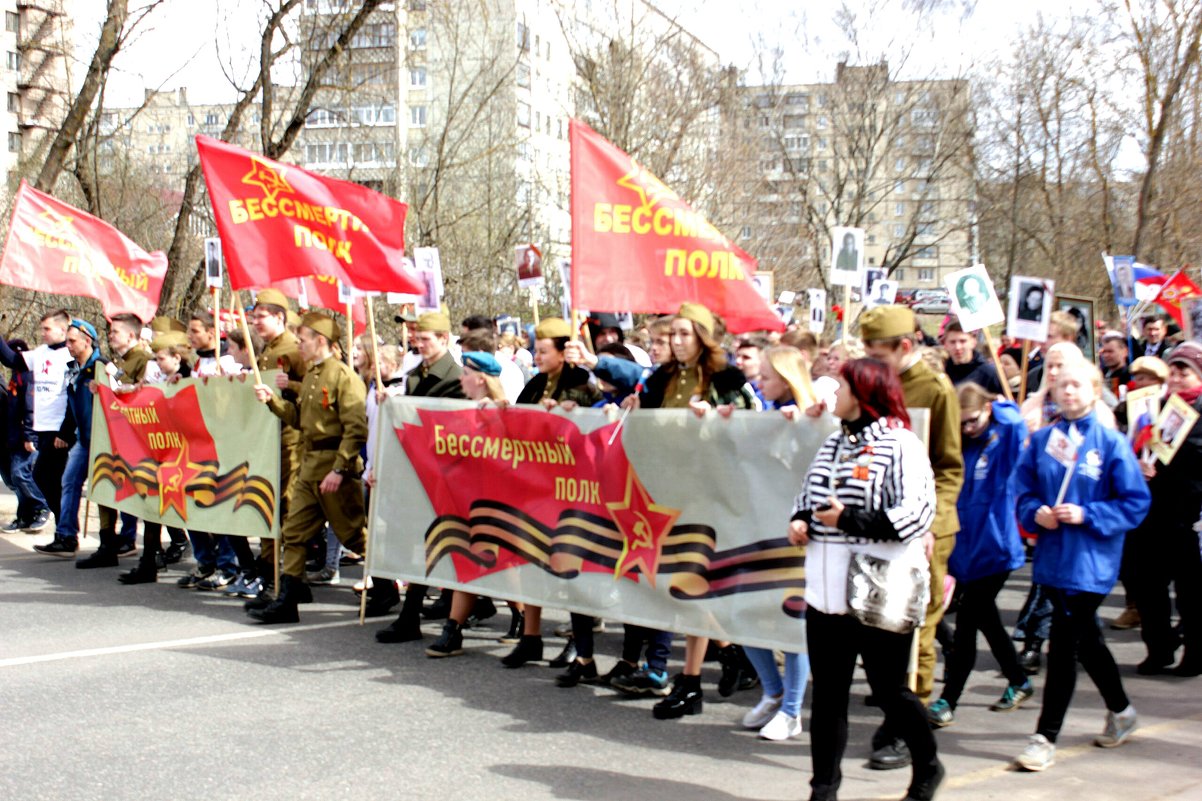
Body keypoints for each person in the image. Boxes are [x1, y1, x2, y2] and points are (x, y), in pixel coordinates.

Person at [789, 357, 942, 801]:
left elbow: (915, 514)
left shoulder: (901, 444)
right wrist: (799, 521)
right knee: (829, 694)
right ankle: (823, 789)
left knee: (889, 690)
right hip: (825, 591)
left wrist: (849, 519)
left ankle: (927, 764)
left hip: (879, 591)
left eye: (840, 387)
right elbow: (807, 497)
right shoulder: (830, 444)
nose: (832, 393)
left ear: (864, 392)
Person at [1011, 361, 1151, 772]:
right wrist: (1035, 512)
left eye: (1076, 385)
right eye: (1060, 385)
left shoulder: (1111, 443)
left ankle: (1044, 735)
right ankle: (1122, 711)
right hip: (1054, 558)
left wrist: (1087, 514)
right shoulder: (1041, 441)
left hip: (1092, 561)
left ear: (1094, 390)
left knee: (1064, 643)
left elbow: (1134, 502)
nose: (1067, 391)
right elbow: (1022, 491)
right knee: (1086, 640)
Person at [633, 303, 758, 719]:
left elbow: (754, 425)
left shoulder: (726, 378)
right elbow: (647, 424)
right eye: (673, 335)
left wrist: (719, 419)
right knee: (677, 585)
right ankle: (729, 651)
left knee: (687, 584)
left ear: (704, 338)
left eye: (685, 334)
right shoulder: (662, 378)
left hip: (708, 493)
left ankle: (690, 682)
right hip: (668, 492)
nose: (676, 341)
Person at [854, 306, 963, 771]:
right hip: (878, 523)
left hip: (925, 529)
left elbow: (949, 468)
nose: (870, 362)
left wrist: (928, 526)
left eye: (877, 353)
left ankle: (905, 722)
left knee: (915, 624)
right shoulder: (875, 386)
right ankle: (894, 698)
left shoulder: (935, 390)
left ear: (904, 347)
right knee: (879, 621)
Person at [246, 312, 369, 624]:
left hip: (334, 468)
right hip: (310, 466)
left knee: (354, 536)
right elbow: (301, 420)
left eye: (303, 340)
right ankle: (288, 600)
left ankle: (384, 585)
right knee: (294, 532)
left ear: (321, 341)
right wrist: (272, 401)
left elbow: (355, 429)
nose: (298, 345)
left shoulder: (343, 377)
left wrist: (340, 470)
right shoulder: (313, 376)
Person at [926, 383, 1032, 728]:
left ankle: (948, 699)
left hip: (995, 549)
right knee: (987, 620)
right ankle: (1019, 680)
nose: (968, 428)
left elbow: (1018, 427)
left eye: (973, 420)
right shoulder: (961, 446)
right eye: (962, 422)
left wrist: (1000, 407)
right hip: (963, 549)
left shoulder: (1002, 439)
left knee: (969, 624)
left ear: (987, 411)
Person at [375, 311, 466, 643]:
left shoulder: (456, 377)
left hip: (443, 474)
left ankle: (424, 615)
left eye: (426, 339)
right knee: (424, 544)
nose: (420, 344)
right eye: (417, 339)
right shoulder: (415, 375)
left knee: (447, 546)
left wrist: (404, 408)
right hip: (418, 471)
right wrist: (393, 403)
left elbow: (449, 427)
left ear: (444, 339)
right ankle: (411, 615)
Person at [738, 345, 814, 741]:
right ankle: (773, 690)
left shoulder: (814, 416)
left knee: (792, 622)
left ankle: (791, 710)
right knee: (744, 614)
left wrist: (799, 429)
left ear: (786, 377)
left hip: (796, 535)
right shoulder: (766, 415)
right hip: (758, 527)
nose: (758, 380)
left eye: (765, 375)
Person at [1128, 342, 1202, 677]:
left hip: (1187, 514)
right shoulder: (1153, 406)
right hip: (1150, 512)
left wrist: (1174, 457)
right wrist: (1139, 461)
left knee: (1190, 593)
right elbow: (1135, 441)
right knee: (1147, 587)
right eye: (1171, 371)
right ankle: (1158, 649)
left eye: (1183, 371)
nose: (1175, 377)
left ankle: (1195, 654)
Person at [33, 320, 116, 562]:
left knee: (109, 491)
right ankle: (67, 537)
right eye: (67, 341)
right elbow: (72, 407)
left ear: (87, 341)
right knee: (68, 482)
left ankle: (120, 539)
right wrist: (65, 433)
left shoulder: (102, 367)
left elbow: (119, 398)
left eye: (72, 341)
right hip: (83, 440)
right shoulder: (72, 369)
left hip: (105, 440)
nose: (68, 345)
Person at [0, 309, 74, 535]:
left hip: (60, 429)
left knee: (48, 478)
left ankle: (64, 529)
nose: (42, 333)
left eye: (47, 329)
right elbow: (11, 358)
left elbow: (75, 394)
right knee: (42, 478)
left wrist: (67, 431)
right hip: (42, 429)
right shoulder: (40, 353)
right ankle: (64, 530)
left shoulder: (70, 356)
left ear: (63, 329)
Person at [0, 338, 51, 534]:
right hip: (11, 438)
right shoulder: (15, 380)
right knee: (14, 480)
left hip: (23, 437)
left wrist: (29, 435)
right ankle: (25, 515)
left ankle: (42, 507)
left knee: (20, 475)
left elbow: (30, 410)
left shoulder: (28, 378)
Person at [941, 321, 1004, 394]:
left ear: (973, 342)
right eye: (952, 342)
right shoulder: (941, 372)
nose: (958, 347)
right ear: (945, 344)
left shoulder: (989, 374)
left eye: (963, 341)